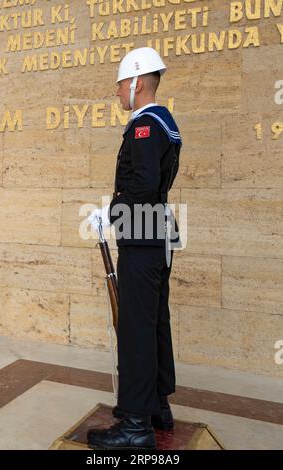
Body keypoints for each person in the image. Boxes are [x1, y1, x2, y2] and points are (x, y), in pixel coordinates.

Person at [87, 47, 182, 450]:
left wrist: (111, 214)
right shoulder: (166, 122)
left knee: (136, 328)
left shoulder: (144, 126)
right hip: (158, 234)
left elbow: (141, 185)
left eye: (121, 84)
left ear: (137, 82)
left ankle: (136, 424)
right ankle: (157, 405)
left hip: (142, 236)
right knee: (154, 320)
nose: (117, 92)